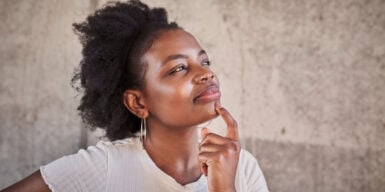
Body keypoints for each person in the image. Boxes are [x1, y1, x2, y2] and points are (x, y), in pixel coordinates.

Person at [1, 1, 269, 191]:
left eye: (205, 61)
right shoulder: (106, 167)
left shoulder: (241, 166)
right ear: (138, 102)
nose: (206, 74)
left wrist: (224, 187)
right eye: (179, 68)